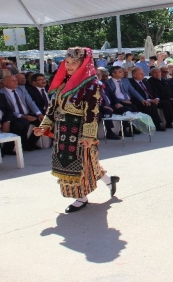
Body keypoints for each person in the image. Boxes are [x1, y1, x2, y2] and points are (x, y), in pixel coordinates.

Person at [33, 47, 120, 213]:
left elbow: (92, 112)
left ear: (84, 63)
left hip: (79, 131)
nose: (70, 66)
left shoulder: (91, 85)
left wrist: (88, 135)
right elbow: (53, 107)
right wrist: (44, 126)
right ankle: (109, 180)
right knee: (85, 162)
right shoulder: (63, 82)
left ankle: (81, 197)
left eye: (74, 62)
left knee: (79, 164)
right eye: (67, 62)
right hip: (61, 131)